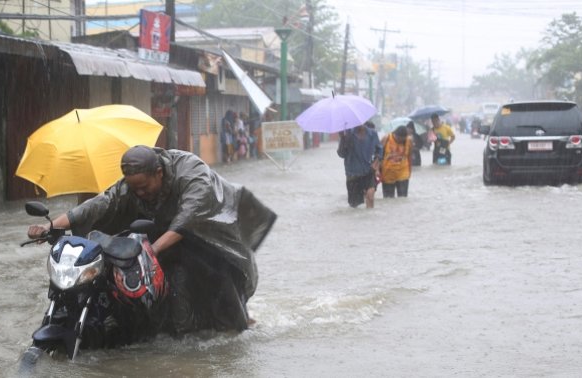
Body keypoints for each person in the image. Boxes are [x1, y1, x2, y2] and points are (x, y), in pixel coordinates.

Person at [27, 146, 277, 335]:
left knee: (227, 308)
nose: (140, 194)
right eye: (135, 189)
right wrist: (52, 225)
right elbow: (103, 203)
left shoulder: (192, 173)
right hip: (171, 241)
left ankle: (241, 325)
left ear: (159, 173)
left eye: (145, 187)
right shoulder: (135, 183)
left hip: (213, 241)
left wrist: (151, 250)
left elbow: (188, 219)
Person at [337, 124, 382, 209]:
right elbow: (341, 154)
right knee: (355, 206)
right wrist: (342, 138)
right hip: (353, 174)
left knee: (370, 196)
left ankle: (370, 218)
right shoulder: (348, 134)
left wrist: (376, 161)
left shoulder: (372, 134)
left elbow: (379, 149)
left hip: (368, 171)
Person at [380, 126, 413, 198]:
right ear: (395, 134)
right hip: (387, 174)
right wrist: (377, 171)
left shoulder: (409, 140)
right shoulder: (386, 138)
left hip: (403, 173)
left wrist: (410, 171)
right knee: (388, 199)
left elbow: (409, 156)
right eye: (399, 139)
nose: (400, 141)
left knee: (403, 198)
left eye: (403, 140)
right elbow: (378, 155)